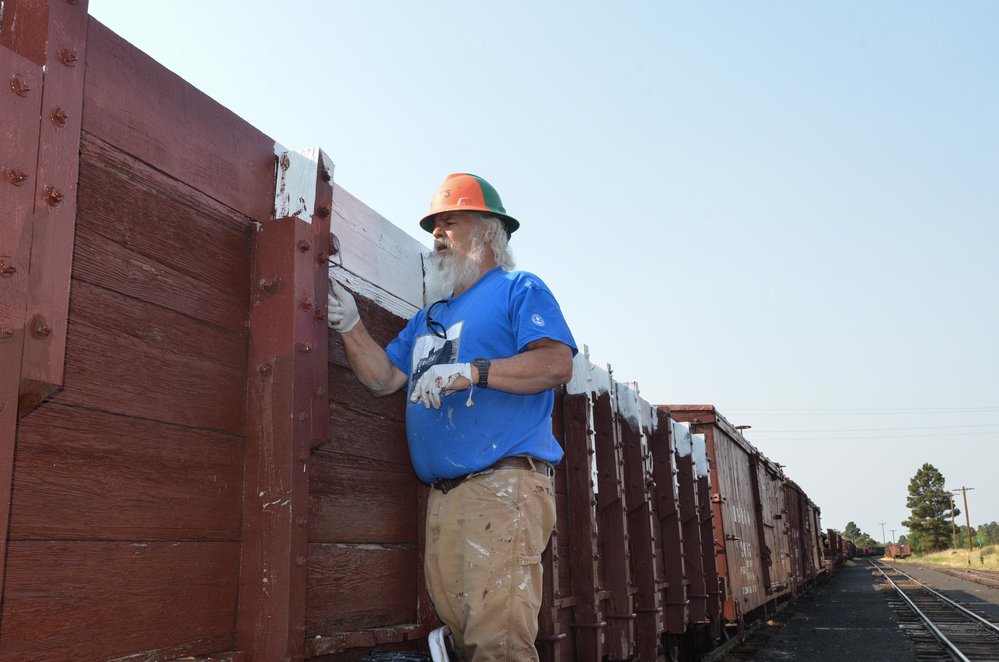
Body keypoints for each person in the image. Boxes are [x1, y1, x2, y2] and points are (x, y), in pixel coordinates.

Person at [327, 173, 576, 661]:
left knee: (497, 643)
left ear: (487, 230)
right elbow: (384, 380)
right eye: (434, 226)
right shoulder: (429, 316)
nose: (437, 234)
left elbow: (556, 363)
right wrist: (351, 325)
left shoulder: (518, 289)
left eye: (449, 223)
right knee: (466, 642)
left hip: (503, 490)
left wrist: (473, 371)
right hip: (444, 501)